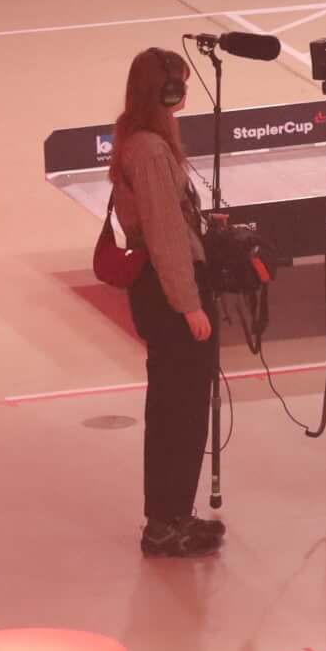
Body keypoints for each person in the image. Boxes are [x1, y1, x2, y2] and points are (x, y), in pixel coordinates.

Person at [107, 49, 222, 559]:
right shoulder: (151, 151)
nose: (185, 93)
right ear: (164, 91)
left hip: (162, 290)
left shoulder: (140, 140)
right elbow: (165, 235)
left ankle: (174, 513)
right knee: (181, 411)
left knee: (177, 409)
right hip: (170, 293)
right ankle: (165, 522)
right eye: (179, 84)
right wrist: (189, 305)